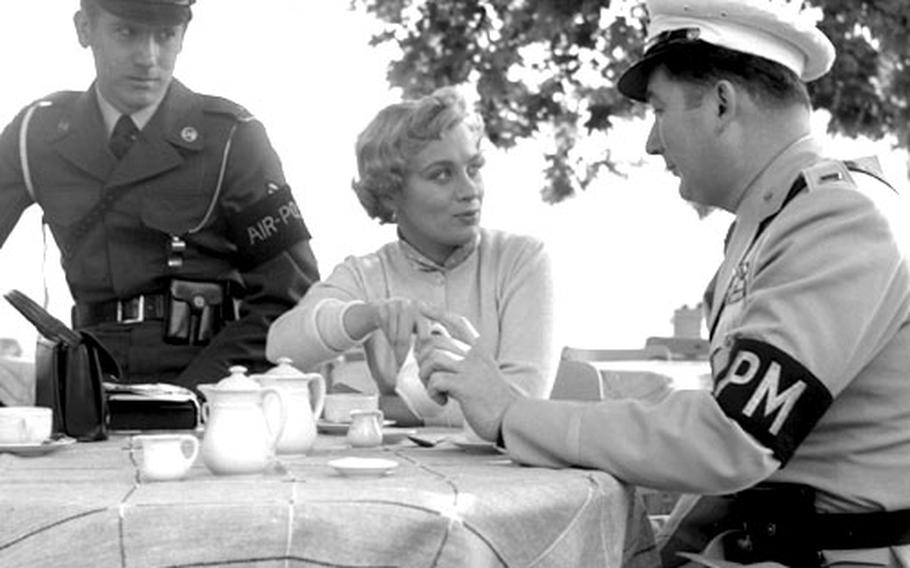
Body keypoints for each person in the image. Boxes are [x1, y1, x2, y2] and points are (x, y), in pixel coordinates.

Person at [415, 0, 910, 566]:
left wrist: (511, 413)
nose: (652, 142)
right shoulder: (782, 220)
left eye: (660, 109)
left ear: (722, 103)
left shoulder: (840, 219)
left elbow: (731, 436)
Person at [0, 0, 319, 392]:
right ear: (84, 29)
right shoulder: (37, 134)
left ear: (183, 35)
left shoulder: (232, 138)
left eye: (165, 36)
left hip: (210, 385)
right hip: (88, 386)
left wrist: (205, 392)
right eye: (126, 33)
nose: (147, 57)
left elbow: (290, 293)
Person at [266, 87, 557, 427]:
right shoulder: (366, 274)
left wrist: (392, 407)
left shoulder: (521, 260)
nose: (469, 190)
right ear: (391, 195)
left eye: (473, 168)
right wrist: (369, 315)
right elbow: (281, 347)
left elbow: (520, 409)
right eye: (442, 174)